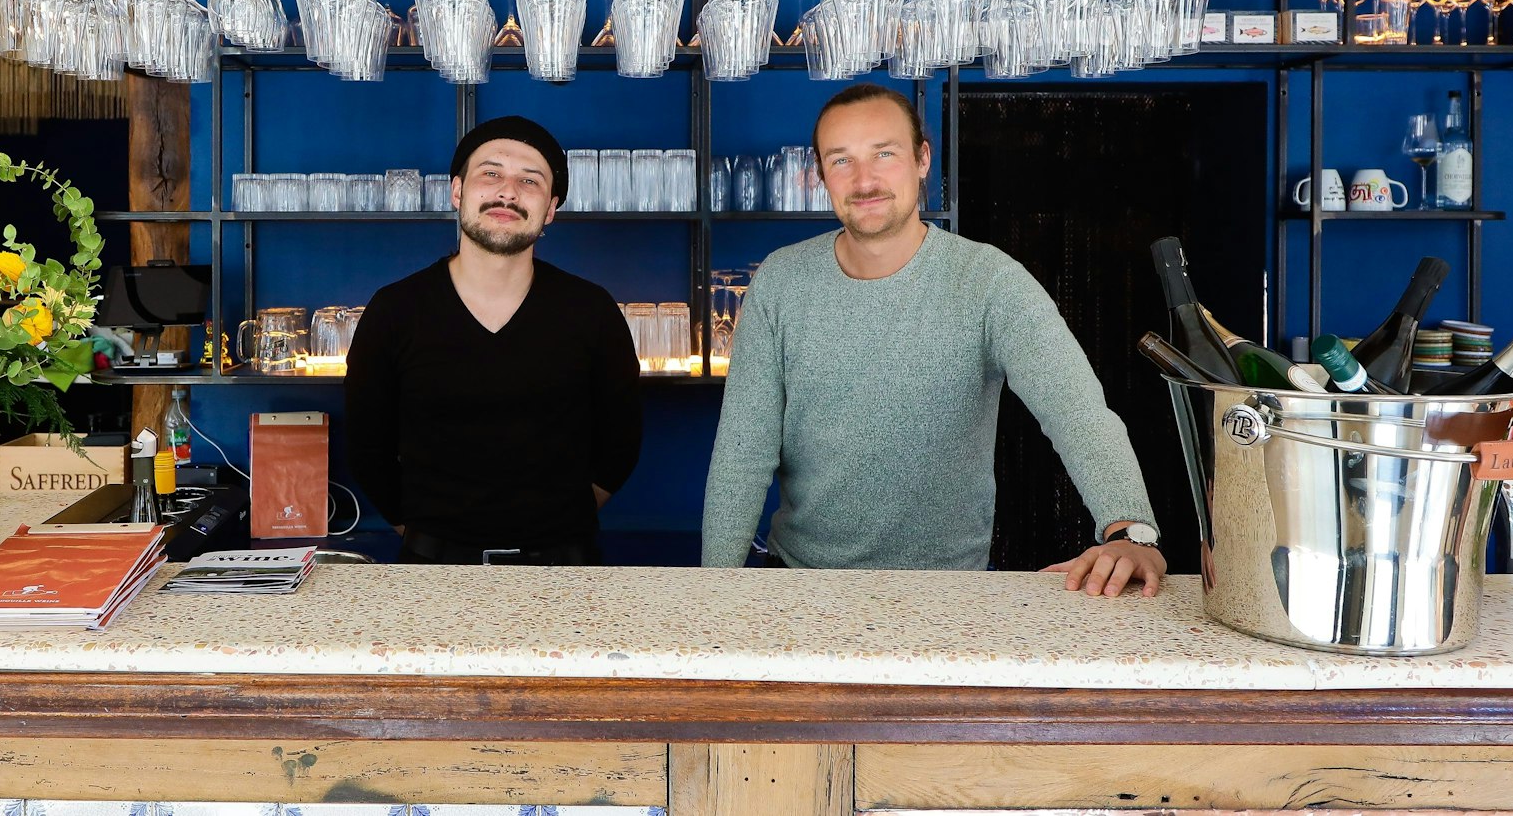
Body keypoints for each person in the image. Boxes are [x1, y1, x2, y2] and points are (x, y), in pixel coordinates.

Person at [699, 84, 1166, 596]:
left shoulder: (989, 280)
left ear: (922, 159)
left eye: (884, 153)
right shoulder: (781, 280)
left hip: (949, 593)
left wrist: (1129, 528)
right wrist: (715, 592)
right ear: (819, 176)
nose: (865, 180)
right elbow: (743, 452)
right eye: (841, 161)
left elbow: (1075, 412)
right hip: (801, 583)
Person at [345, 116, 642, 565]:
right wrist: (430, 535)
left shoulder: (591, 311)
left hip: (566, 571)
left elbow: (621, 441)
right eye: (491, 174)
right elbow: (367, 444)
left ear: (551, 209)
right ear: (458, 191)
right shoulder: (395, 310)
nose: (508, 192)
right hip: (431, 573)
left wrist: (558, 527)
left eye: (530, 180)